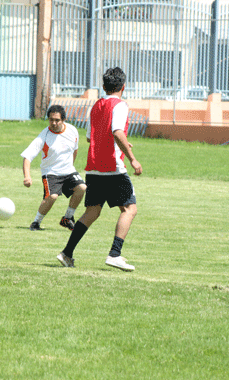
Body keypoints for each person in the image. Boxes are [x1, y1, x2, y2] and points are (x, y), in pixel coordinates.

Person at [56, 67, 142, 271]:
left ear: (103, 86)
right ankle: (115, 254)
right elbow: (118, 132)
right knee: (130, 209)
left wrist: (119, 142)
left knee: (92, 211)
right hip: (113, 168)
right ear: (124, 86)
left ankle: (66, 253)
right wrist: (132, 158)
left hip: (94, 169)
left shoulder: (95, 106)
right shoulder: (120, 105)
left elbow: (90, 136)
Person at [21, 104, 86, 231]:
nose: (54, 123)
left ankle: (67, 218)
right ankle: (36, 223)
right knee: (52, 196)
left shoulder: (72, 131)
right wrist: (27, 177)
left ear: (63, 120)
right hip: (50, 172)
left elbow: (75, 150)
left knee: (82, 188)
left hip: (68, 171)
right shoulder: (44, 136)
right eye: (51, 120)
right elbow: (27, 157)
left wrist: (70, 166)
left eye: (57, 120)